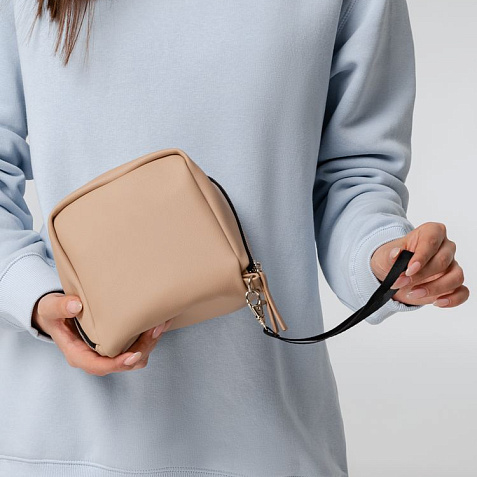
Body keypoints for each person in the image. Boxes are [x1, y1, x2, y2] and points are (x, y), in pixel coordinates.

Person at [0, 0, 468, 476]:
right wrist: (34, 296)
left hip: (265, 439)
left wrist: (386, 260)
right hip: (59, 439)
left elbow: (355, 172)